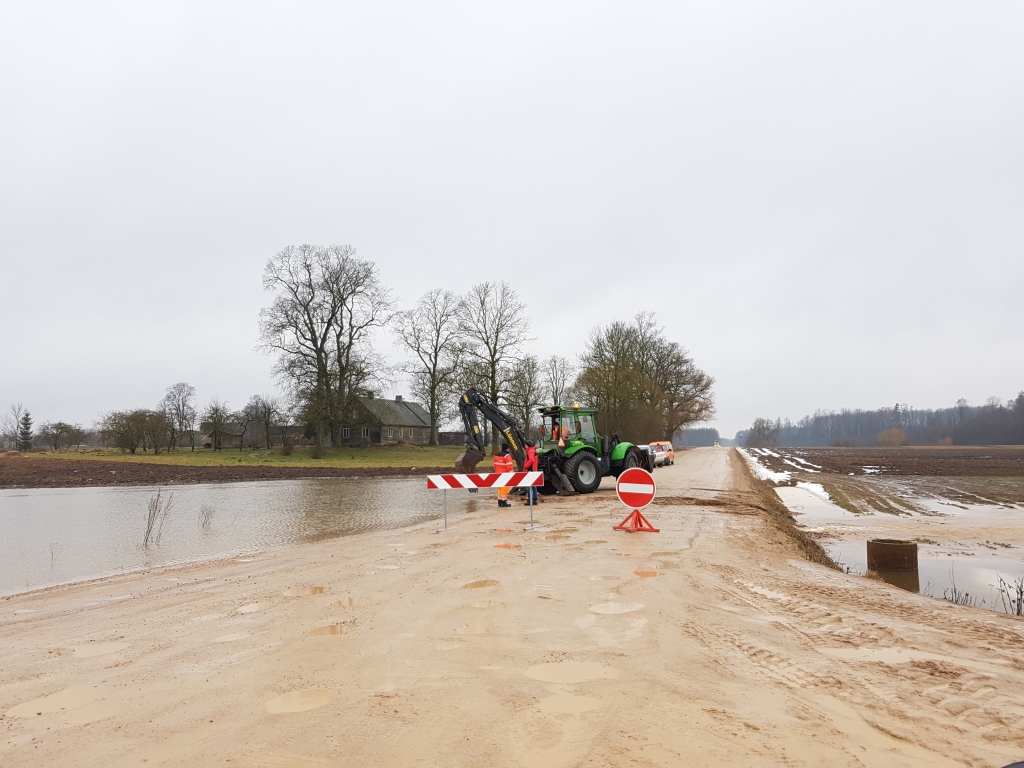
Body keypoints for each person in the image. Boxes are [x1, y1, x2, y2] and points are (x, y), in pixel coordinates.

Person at [494, 443, 514, 507]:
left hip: (498, 474)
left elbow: (495, 466)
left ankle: (499, 501)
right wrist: (511, 474)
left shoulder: (496, 455)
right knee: (505, 488)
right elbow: (509, 466)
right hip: (505, 474)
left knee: (500, 488)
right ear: (507, 448)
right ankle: (503, 501)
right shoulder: (507, 456)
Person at [522, 440, 539, 505]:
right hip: (534, 470)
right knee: (534, 485)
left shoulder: (530, 451)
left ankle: (530, 500)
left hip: (530, 470)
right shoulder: (533, 450)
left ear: (528, 445)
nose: (525, 446)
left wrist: (526, 466)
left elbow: (531, 460)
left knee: (529, 486)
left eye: (525, 445)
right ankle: (534, 499)